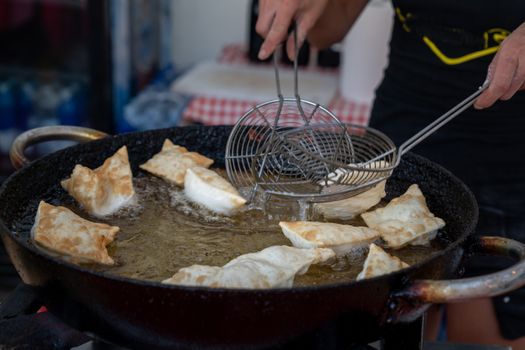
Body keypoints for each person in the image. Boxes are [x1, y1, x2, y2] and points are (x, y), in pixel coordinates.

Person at [256, 0, 525, 348]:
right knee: (393, 317)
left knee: (483, 338)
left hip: (512, 152)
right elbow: (327, 31)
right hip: (399, 138)